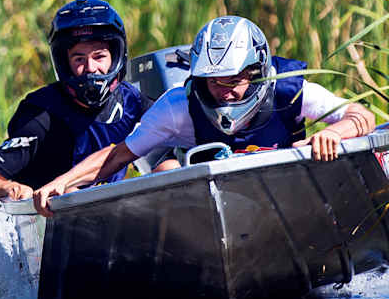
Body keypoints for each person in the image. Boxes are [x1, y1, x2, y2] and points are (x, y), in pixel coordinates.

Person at [33, 15, 376, 216]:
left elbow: (361, 115)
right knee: (164, 169)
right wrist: (62, 183)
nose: (223, 91)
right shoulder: (178, 105)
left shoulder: (290, 90)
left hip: (290, 201)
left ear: (256, 72)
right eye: (213, 81)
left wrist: (335, 133)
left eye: (233, 79)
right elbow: (119, 154)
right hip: (215, 208)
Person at [0, 0, 151, 203]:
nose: (91, 68)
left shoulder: (134, 103)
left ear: (115, 57)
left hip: (113, 212)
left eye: (99, 57)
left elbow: (166, 161)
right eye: (79, 59)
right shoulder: (41, 114)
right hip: (48, 215)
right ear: (65, 64)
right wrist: (9, 187)